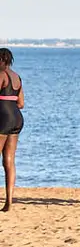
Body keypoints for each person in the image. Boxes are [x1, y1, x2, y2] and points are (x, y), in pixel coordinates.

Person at [0, 49, 25, 213]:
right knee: (9, 160)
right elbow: (21, 103)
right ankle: (9, 202)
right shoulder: (16, 77)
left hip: (3, 118)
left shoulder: (1, 74)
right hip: (17, 118)